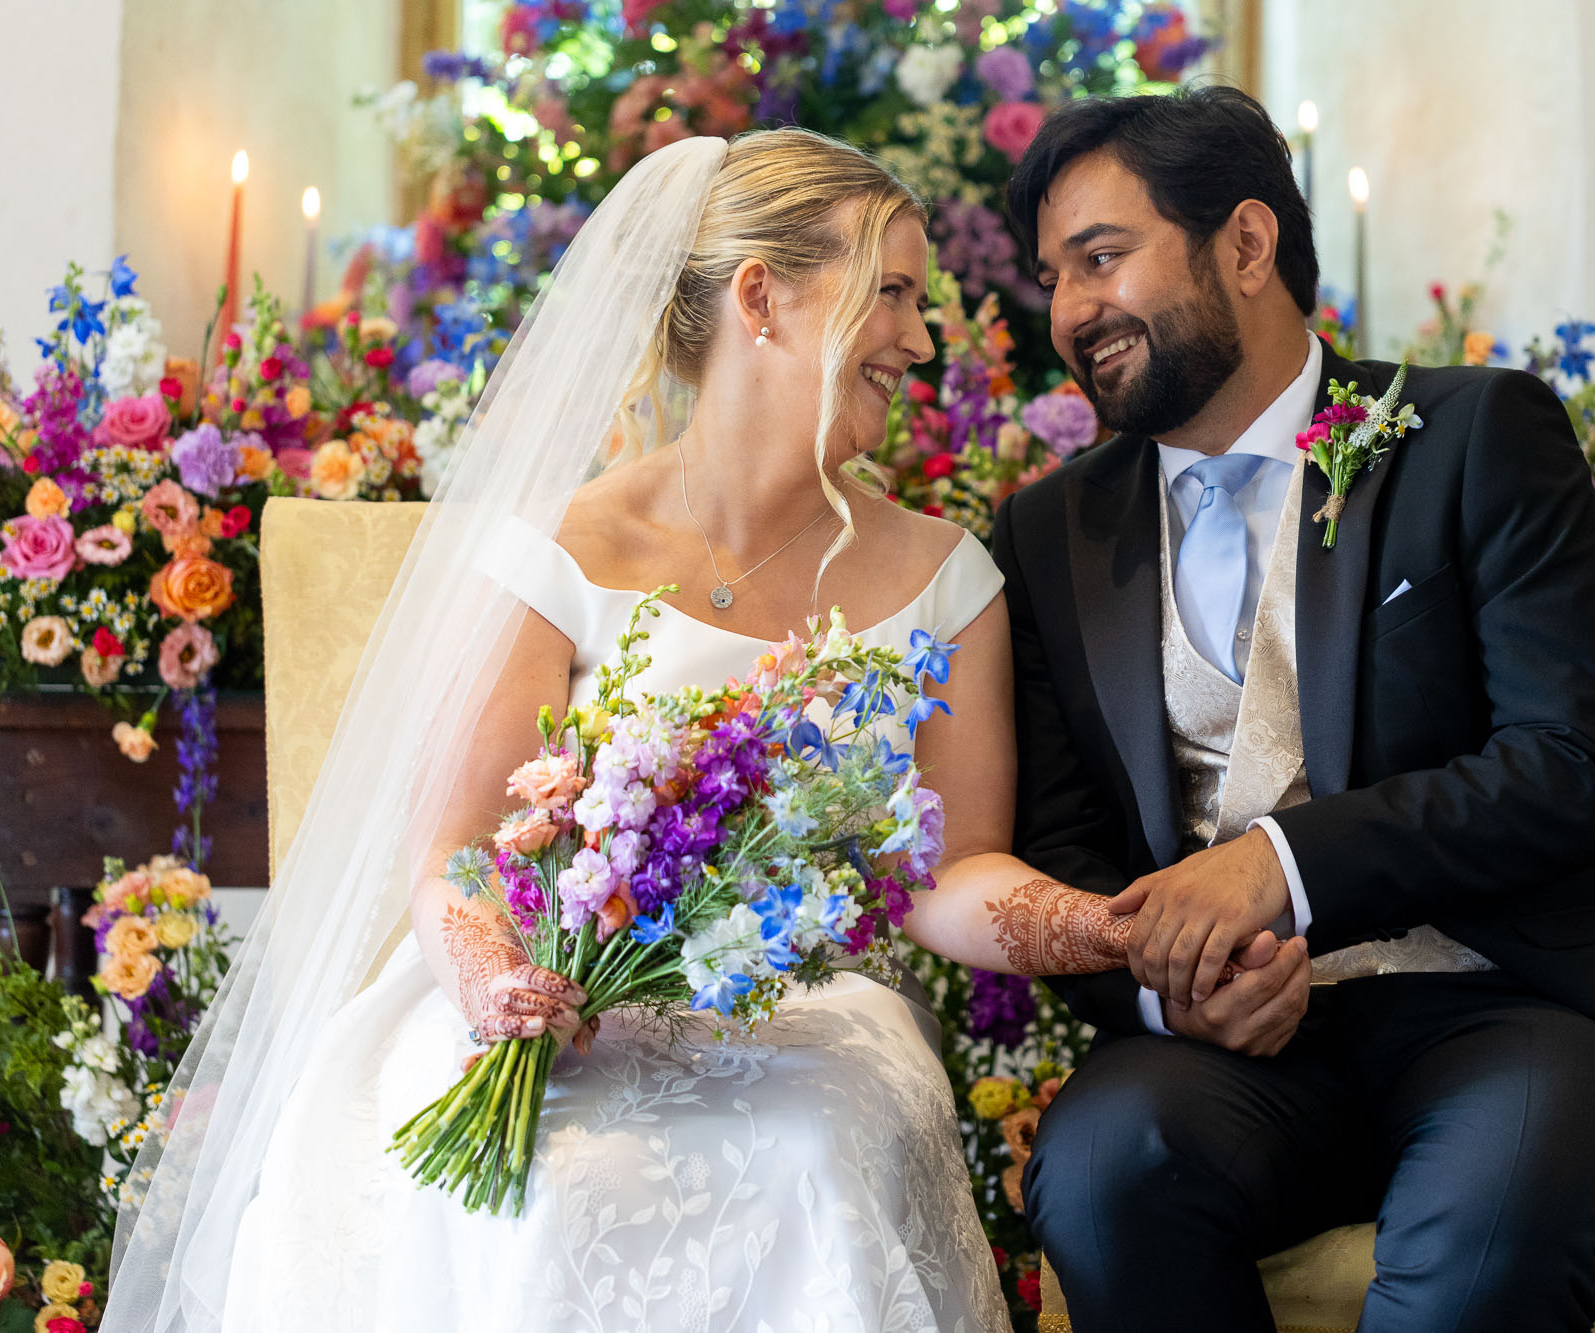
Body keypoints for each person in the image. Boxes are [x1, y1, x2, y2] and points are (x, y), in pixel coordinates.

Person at [105, 129, 1160, 1333]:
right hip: (544, 989)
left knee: (811, 1155)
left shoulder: (947, 576)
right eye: (895, 295)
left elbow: (944, 871)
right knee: (540, 1187)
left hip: (806, 1017)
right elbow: (453, 850)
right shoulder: (560, 550)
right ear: (762, 296)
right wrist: (500, 981)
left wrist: (1104, 927)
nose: (922, 340)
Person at [991, 85, 1595, 1333]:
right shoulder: (1047, 527)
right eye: (1051, 277)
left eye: (1101, 259)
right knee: (1104, 1163)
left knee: (1478, 1256)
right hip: (1224, 1059)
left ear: (1243, 243)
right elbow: (1059, 849)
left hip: (1506, 1008)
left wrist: (1275, 867)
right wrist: (1166, 995)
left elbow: (1572, 763)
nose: (1070, 312)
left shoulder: (1470, 434)